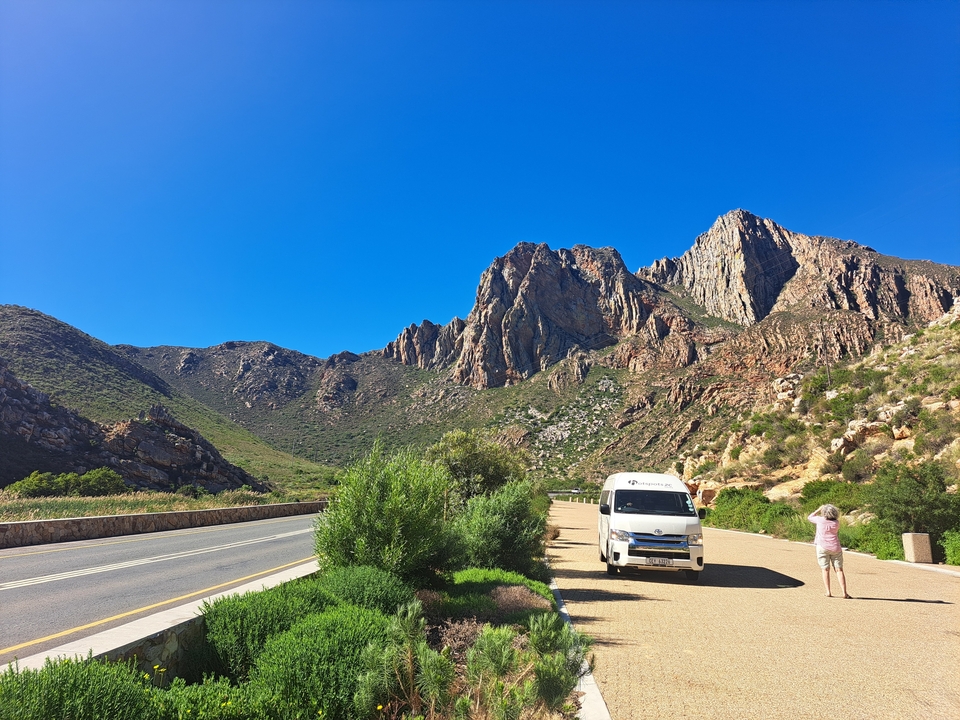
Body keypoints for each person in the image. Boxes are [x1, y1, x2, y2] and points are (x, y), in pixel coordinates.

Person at [808, 504, 851, 598]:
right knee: (839, 570)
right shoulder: (836, 523)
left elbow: (810, 517)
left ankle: (828, 592)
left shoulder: (819, 520)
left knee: (825, 569)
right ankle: (844, 592)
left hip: (822, 547)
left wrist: (818, 509)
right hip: (835, 547)